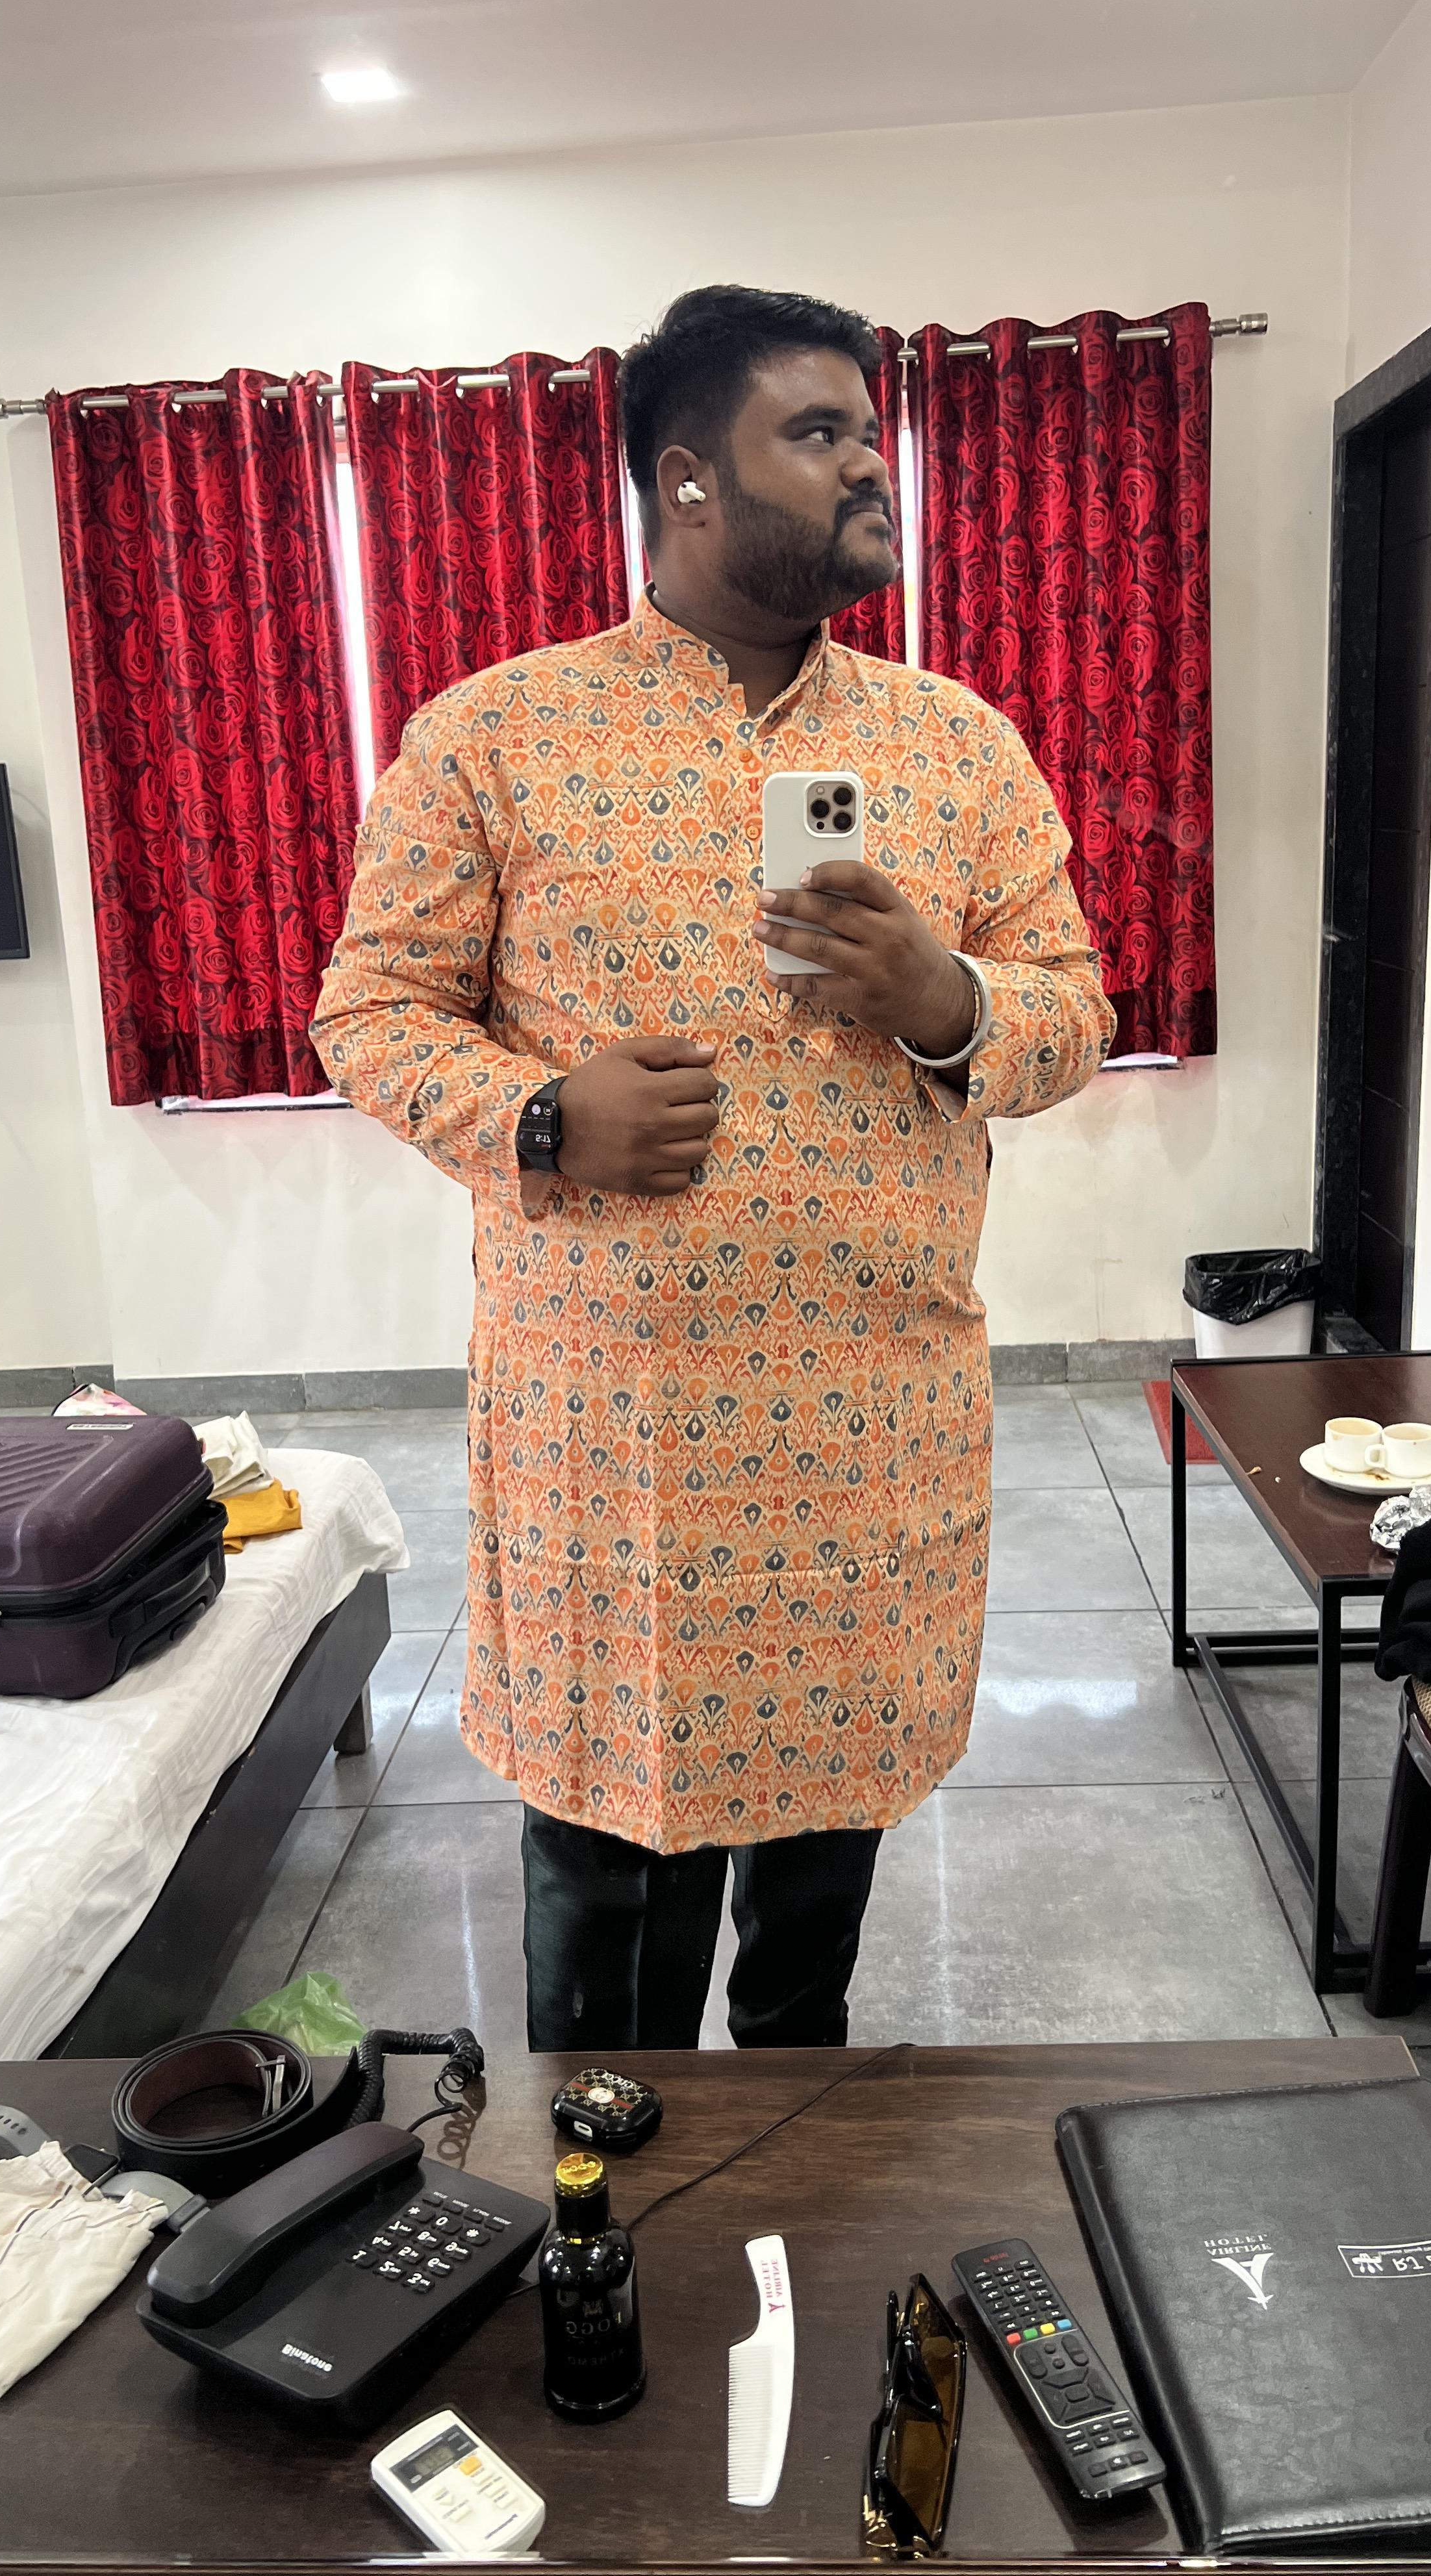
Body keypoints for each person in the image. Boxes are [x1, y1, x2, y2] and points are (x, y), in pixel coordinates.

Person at [312, 283, 1115, 2052]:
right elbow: (367, 1012)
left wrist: (945, 999)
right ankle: (604, 2185)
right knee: (609, 1926)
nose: (868, 466)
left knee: (820, 1901)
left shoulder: (955, 743)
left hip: (868, 1434)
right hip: (619, 1451)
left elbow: (1074, 1009)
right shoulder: (496, 735)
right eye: (817, 434)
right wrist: (545, 1118)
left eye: (869, 433)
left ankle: (795, 2152)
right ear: (688, 478)